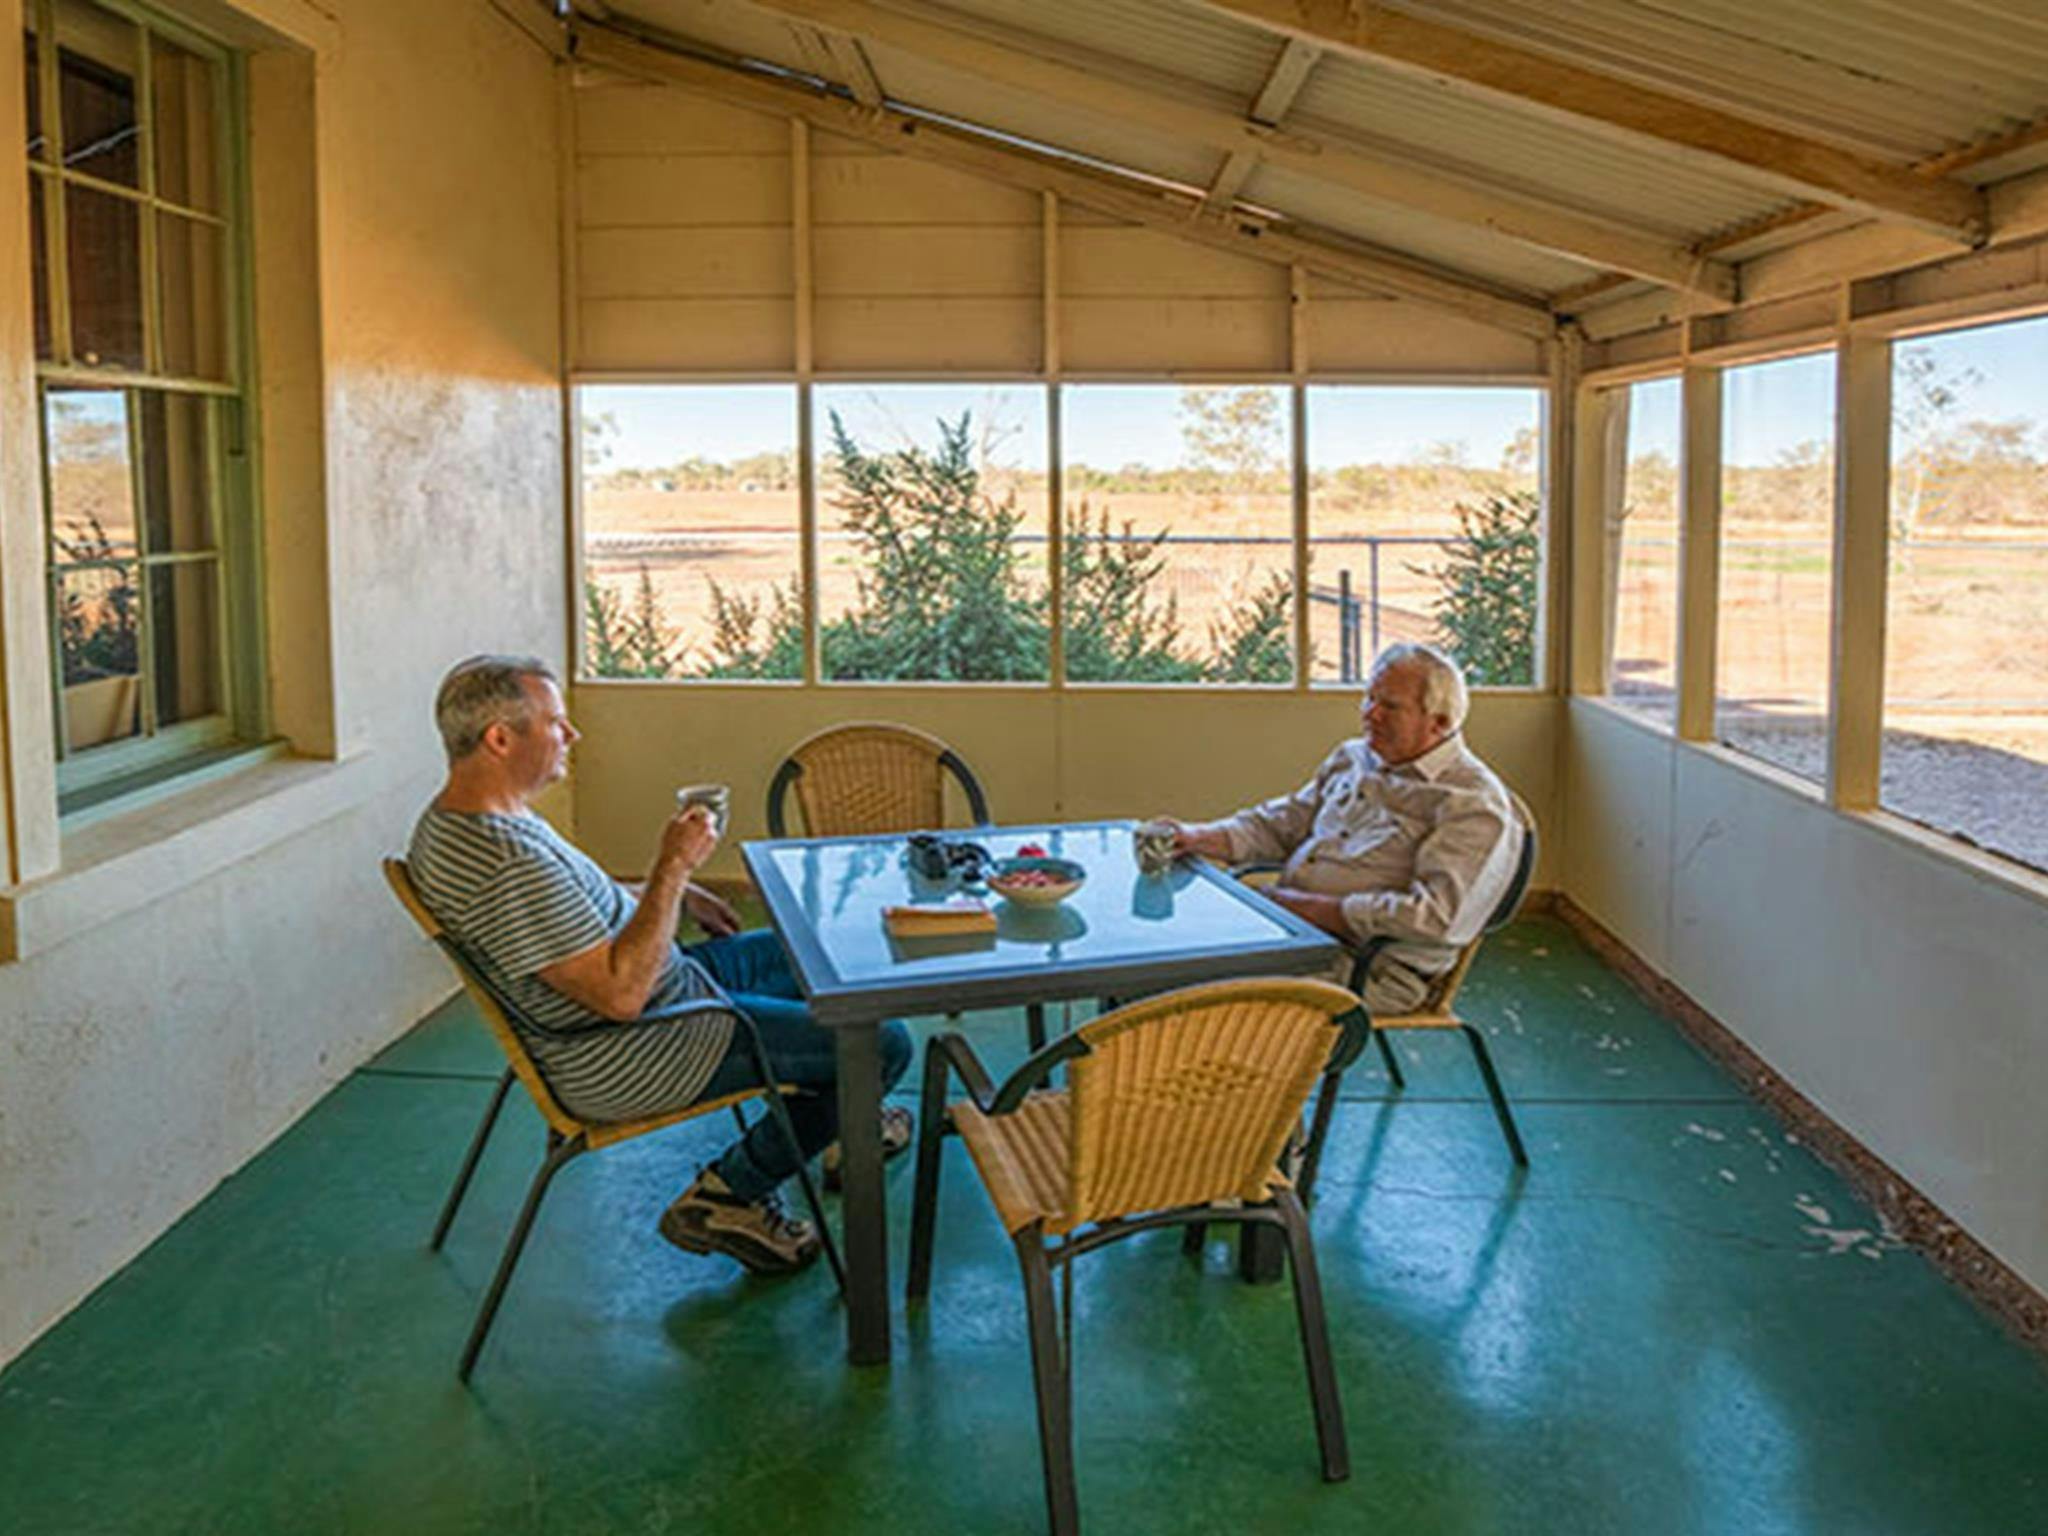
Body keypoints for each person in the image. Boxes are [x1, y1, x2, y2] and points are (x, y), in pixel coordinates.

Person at [406, 654, 912, 1276]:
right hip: (633, 1046)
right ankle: (730, 1193)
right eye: (557, 722)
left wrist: (667, 893)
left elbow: (574, 907)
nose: (572, 735)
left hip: (665, 994)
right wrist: (674, 869)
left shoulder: (470, 821)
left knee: (823, 950)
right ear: (501, 739)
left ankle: (842, 1112)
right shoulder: (501, 862)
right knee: (880, 1047)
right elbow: (620, 996)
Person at [1167, 641, 1523, 1014]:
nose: (1371, 714)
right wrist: (1195, 837)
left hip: (1365, 967)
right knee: (1162, 955)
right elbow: (1283, 824)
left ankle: (1189, 1067)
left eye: (1390, 706)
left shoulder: (1471, 802)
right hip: (1290, 934)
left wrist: (1307, 909)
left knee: (1188, 990)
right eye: (1369, 698)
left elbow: (1434, 918)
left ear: (1439, 722)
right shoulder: (1355, 758)